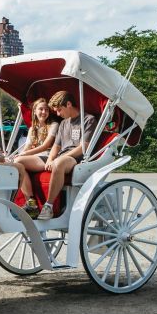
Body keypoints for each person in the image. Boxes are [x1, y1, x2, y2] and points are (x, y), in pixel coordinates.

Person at [35, 90, 96, 221]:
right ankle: (30, 202)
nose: (58, 114)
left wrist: (59, 159)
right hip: (60, 157)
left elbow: (82, 147)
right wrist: (50, 159)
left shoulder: (88, 120)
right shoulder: (63, 123)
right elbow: (56, 146)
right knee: (21, 161)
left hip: (75, 158)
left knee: (59, 163)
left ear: (69, 104)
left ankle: (48, 206)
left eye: (59, 110)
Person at [11, 98, 60, 218]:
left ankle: (32, 205)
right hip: (35, 157)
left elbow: (46, 146)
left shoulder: (53, 125)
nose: (44, 112)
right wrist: (19, 154)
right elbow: (27, 147)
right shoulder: (32, 129)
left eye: (46, 110)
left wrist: (23, 155)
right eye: (41, 109)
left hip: (48, 157)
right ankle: (31, 203)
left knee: (19, 161)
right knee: (17, 163)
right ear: (34, 111)